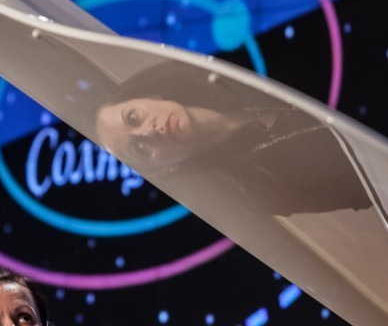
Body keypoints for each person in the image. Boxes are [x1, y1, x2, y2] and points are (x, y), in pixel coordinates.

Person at [92, 61, 371, 215]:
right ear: (161, 167)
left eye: (133, 118)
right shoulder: (264, 192)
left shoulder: (230, 65)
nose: (149, 132)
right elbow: (366, 192)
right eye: (140, 149)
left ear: (149, 95)